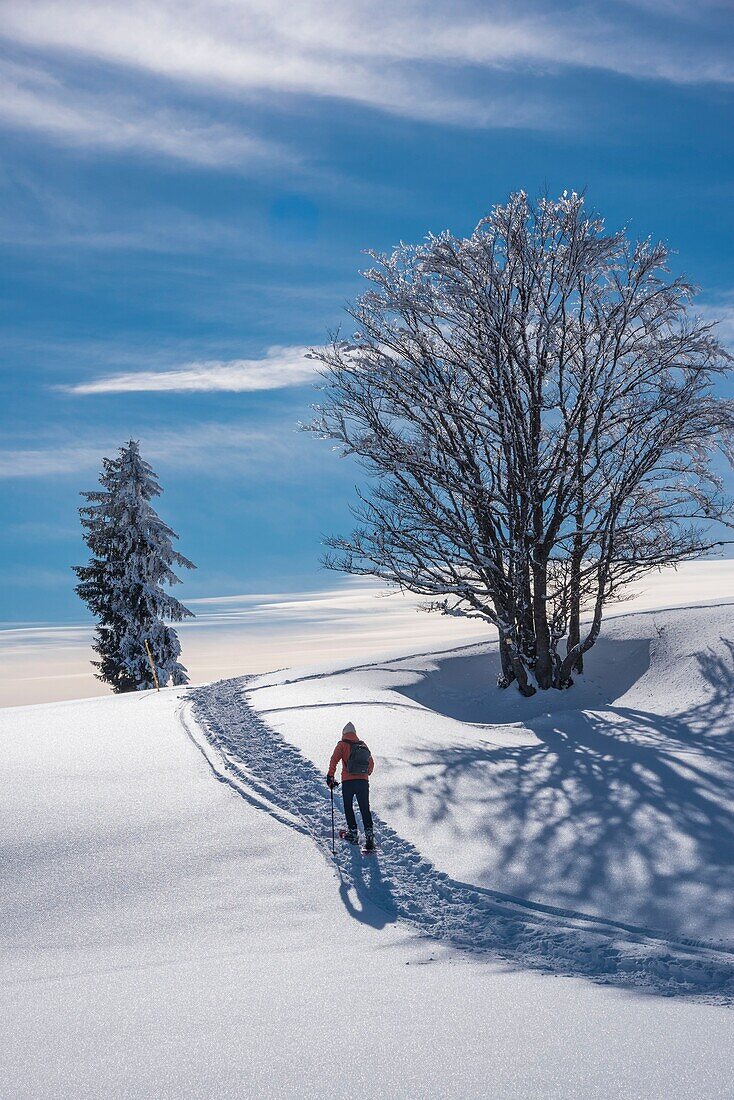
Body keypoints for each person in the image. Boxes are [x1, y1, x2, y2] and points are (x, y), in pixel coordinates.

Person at [327, 721, 375, 851]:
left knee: (348, 806)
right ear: (355, 733)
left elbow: (334, 760)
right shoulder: (363, 745)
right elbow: (371, 762)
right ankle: (369, 835)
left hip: (348, 782)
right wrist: (366, 773)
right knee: (365, 807)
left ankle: (353, 833)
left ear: (344, 733)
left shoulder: (342, 745)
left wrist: (330, 776)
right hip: (363, 782)